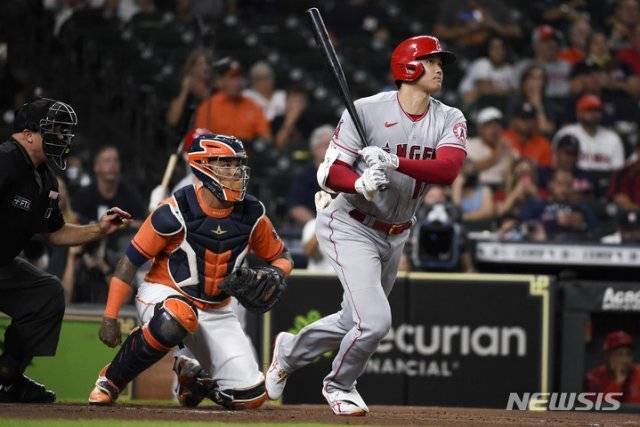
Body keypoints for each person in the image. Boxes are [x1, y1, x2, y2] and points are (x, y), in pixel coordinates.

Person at [265, 35, 466, 415]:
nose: (439, 69)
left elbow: (448, 169)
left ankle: (289, 352)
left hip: (397, 230)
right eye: (431, 61)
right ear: (408, 67)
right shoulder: (366, 111)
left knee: (351, 320)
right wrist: (358, 182)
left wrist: (393, 162)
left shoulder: (450, 117)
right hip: (350, 222)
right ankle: (340, 385)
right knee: (374, 322)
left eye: (441, 62)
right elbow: (330, 172)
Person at [88, 133, 293, 409]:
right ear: (203, 166)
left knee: (251, 396)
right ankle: (110, 381)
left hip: (217, 309)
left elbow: (282, 257)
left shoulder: (252, 213)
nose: (236, 171)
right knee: (176, 318)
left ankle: (192, 378)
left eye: (238, 164)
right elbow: (129, 262)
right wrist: (110, 316)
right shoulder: (174, 210)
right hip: (164, 292)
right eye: (226, 163)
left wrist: (277, 273)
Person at [0, 98, 131, 403]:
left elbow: (56, 232)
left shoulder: (45, 177)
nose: (62, 137)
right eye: (54, 130)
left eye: (64, 131)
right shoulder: (4, 161)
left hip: (3, 264)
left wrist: (99, 229)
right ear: (27, 134)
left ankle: (7, 378)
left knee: (46, 293)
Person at [194, 58, 271, 144]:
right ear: (221, 81)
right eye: (232, 77)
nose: (237, 82)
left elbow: (266, 138)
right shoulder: (208, 107)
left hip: (247, 150)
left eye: (239, 77)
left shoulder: (252, 106)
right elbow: (201, 140)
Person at [553, 94, 625, 173]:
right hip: (575, 177)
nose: (594, 113)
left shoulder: (613, 138)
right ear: (578, 113)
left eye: (597, 110)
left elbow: (618, 171)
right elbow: (555, 163)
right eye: (589, 110)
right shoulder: (566, 133)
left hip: (604, 178)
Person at [286, 125, 333, 226]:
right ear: (314, 149)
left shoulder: (346, 172)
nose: (331, 149)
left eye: (333, 145)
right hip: (314, 227)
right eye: (326, 145)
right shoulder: (304, 176)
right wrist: (316, 225)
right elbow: (295, 208)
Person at [165, 48, 213, 135]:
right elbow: (172, 120)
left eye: (208, 64)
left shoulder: (215, 90)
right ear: (192, 68)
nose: (205, 67)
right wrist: (184, 91)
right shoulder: (181, 88)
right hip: (184, 136)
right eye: (200, 64)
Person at [585, 330, 640, 403]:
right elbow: (596, 407)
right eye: (619, 354)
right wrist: (617, 383)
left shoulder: (638, 373)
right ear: (608, 357)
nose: (625, 360)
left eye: (628, 354)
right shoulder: (594, 377)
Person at [465, 107, 513, 188]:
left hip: (502, 189)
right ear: (480, 129)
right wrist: (497, 153)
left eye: (497, 125)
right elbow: (468, 169)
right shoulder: (469, 144)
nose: (494, 129)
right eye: (489, 125)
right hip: (477, 188)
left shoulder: (508, 148)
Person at [502, 101, 553, 168]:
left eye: (531, 118)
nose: (528, 122)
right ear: (514, 120)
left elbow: (546, 170)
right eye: (523, 118)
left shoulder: (543, 144)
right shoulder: (503, 138)